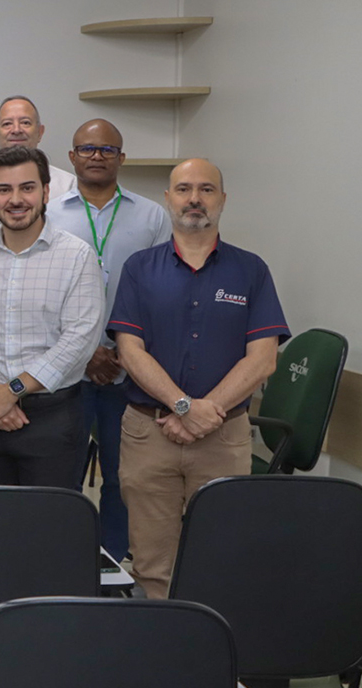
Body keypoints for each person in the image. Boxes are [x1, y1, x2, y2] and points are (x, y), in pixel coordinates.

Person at [109, 158, 288, 598]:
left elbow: (263, 359)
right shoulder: (139, 268)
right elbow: (130, 351)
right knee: (152, 564)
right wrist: (184, 406)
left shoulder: (251, 271)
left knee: (221, 558)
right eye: (184, 189)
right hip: (149, 435)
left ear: (222, 200)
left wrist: (205, 413)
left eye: (206, 189)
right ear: (167, 199)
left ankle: (211, 642)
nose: (194, 199)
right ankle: (161, 639)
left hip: (222, 438)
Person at [47, 119, 171, 562]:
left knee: (124, 475)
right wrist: (85, 353)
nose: (96, 156)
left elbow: (160, 293)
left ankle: (114, 558)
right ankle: (64, 556)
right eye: (87, 148)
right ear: (72, 156)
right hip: (66, 371)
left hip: (130, 368)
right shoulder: (48, 213)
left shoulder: (152, 216)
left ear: (122, 157)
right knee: (63, 474)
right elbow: (43, 295)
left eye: (107, 149)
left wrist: (123, 351)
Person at [0, 146, 103, 489]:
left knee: (47, 520)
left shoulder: (77, 256)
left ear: (46, 191)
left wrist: (12, 391)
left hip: (53, 420)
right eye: (4, 189)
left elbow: (79, 340)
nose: (16, 199)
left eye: (27, 188)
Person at [0, 95, 76, 213]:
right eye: (7, 124)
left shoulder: (67, 185)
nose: (16, 130)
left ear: (40, 132)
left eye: (25, 123)